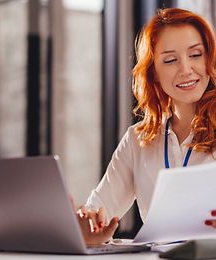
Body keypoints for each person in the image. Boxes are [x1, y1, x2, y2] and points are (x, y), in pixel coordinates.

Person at [76, 8, 216, 245]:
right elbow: (99, 211)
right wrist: (88, 227)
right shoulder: (138, 138)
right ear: (154, 74)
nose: (185, 69)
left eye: (195, 55)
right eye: (170, 60)